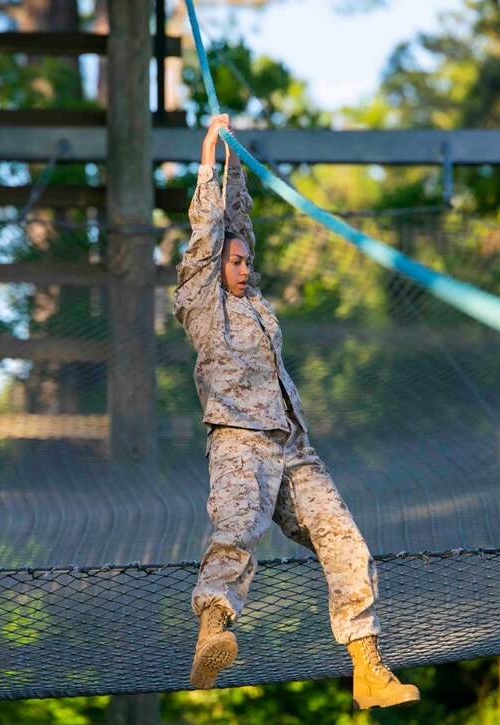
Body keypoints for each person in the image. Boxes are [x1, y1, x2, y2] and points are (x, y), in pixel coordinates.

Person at [174, 114, 420, 711]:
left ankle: (367, 669)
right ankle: (213, 630)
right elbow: (210, 235)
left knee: (345, 543)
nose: (243, 266)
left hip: (291, 444)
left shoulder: (252, 301)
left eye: (244, 261)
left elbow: (237, 225)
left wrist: (236, 160)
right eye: (232, 262)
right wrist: (207, 158)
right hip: (240, 439)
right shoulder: (202, 303)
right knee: (236, 533)